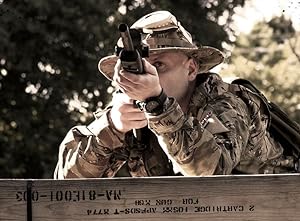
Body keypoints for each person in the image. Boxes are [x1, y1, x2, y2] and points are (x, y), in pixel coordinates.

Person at [54, 10, 298, 179]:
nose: (148, 74)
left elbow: (210, 172)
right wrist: (113, 127)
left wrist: (159, 106)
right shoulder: (130, 112)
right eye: (140, 67)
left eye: (159, 65)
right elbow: (66, 185)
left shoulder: (227, 103)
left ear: (191, 68)